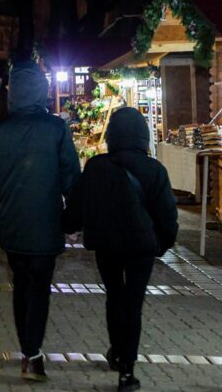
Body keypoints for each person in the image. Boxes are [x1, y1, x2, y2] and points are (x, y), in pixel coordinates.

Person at [0, 60, 81, 381]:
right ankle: (33, 351)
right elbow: (72, 179)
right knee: (40, 288)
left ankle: (29, 352)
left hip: (11, 225)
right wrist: (74, 221)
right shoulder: (56, 128)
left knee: (21, 286)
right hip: (47, 224)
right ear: (41, 90)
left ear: (13, 93)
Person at [65, 107, 178, 391]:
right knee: (134, 304)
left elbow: (77, 207)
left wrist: (66, 226)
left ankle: (116, 350)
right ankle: (127, 369)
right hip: (141, 247)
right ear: (143, 135)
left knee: (115, 295)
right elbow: (167, 217)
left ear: (113, 135)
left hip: (107, 245)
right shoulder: (154, 170)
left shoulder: (96, 166)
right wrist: (161, 245)